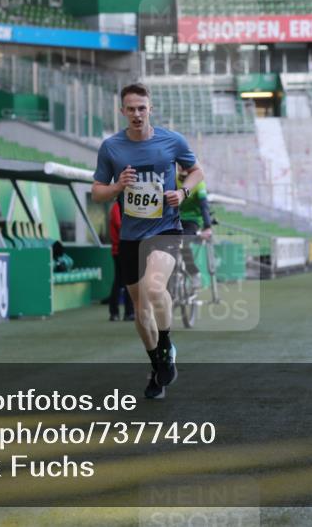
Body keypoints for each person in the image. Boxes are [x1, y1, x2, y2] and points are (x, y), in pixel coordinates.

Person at [92, 83, 204, 399]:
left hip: (165, 229)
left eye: (142, 108)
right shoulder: (111, 147)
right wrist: (117, 187)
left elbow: (196, 171)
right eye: (131, 109)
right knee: (140, 311)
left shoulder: (172, 141)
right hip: (130, 237)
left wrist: (182, 193)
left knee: (155, 288)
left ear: (150, 108)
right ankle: (156, 364)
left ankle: (166, 346)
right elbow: (97, 191)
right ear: (122, 111)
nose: (137, 114)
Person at [176, 168, 213, 288]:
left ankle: (194, 273)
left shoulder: (199, 184)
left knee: (183, 243)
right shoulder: (173, 180)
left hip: (191, 221)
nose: (183, 169)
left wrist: (207, 226)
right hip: (175, 219)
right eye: (180, 166)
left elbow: (204, 206)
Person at [107, 200, 135, 322]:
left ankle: (124, 312)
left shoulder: (119, 206)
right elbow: (119, 224)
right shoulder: (117, 207)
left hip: (122, 249)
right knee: (122, 281)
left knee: (124, 281)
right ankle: (119, 312)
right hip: (120, 250)